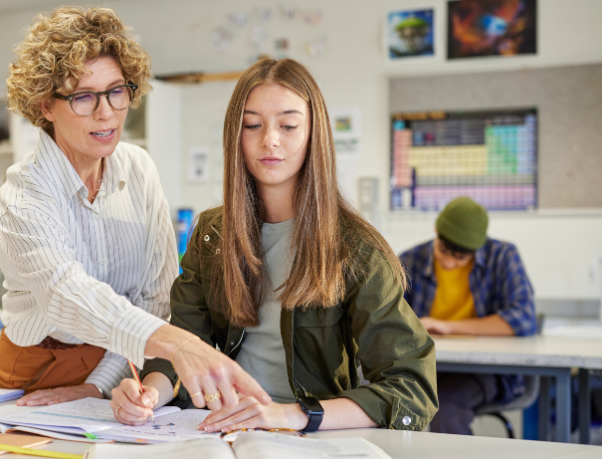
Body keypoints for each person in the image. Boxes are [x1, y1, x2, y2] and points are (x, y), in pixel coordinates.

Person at [109, 58, 438, 433]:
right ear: (236, 135)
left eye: (289, 125)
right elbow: (184, 345)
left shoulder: (356, 249)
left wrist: (292, 414)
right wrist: (147, 395)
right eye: (252, 125)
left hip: (311, 439)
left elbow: (412, 388)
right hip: (216, 431)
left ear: (314, 133)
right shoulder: (211, 235)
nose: (270, 140)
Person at [0, 6, 268, 410]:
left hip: (124, 360)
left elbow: (154, 297)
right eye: (83, 96)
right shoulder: (24, 193)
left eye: (116, 91)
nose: (106, 112)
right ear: (44, 106)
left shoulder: (138, 169)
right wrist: (176, 342)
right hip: (39, 367)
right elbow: (65, 295)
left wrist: (100, 385)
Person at [400, 196, 536, 435]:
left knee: (447, 403)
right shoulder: (409, 261)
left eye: (461, 257)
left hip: (484, 370)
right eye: (444, 250)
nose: (450, 262)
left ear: (477, 249)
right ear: (436, 231)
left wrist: (449, 327)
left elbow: (523, 318)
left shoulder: (503, 256)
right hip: (425, 367)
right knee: (379, 396)